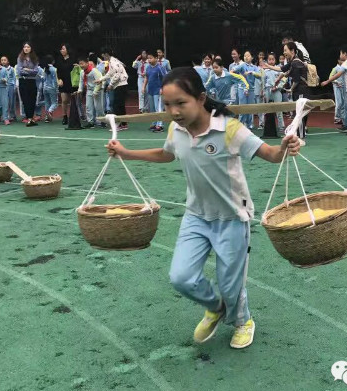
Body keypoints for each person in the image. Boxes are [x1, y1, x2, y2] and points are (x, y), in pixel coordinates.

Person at [107, 67, 301, 349]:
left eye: (181, 103)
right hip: (196, 216)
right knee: (181, 277)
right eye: (168, 104)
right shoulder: (176, 129)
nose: (173, 111)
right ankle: (215, 306)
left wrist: (286, 146)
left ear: (200, 98)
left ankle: (243, 320)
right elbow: (166, 154)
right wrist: (126, 152)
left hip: (233, 217)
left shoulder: (229, 129)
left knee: (231, 284)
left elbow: (271, 155)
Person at [263, 42, 310, 138]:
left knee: (300, 114)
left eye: (285, 50)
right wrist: (268, 67)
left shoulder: (296, 63)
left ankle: (300, 137)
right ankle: (300, 135)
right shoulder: (293, 62)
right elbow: (282, 69)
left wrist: (290, 89)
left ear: (292, 51)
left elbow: (296, 80)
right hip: (299, 91)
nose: (284, 52)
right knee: (299, 114)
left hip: (301, 91)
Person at [320, 47, 347, 136]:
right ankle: (346, 125)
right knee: (346, 107)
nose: (340, 55)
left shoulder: (346, 63)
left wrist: (327, 81)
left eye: (340, 53)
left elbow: (338, 74)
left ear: (345, 54)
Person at [98, 47, 129, 131]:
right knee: (120, 105)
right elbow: (110, 73)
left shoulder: (113, 62)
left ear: (106, 54)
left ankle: (118, 124)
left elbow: (117, 75)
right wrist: (101, 79)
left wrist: (110, 85)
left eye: (103, 55)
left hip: (121, 85)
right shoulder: (112, 61)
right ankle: (124, 124)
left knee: (117, 105)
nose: (103, 57)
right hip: (121, 85)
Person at [16, 42, 40, 127]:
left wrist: (27, 70)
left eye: (28, 47)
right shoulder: (20, 58)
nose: (26, 48)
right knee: (25, 100)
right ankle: (28, 118)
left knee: (32, 99)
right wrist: (30, 70)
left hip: (32, 81)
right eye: (25, 47)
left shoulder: (35, 59)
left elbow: (36, 71)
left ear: (31, 48)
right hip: (23, 80)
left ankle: (31, 118)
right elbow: (20, 71)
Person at [142, 52, 167, 132]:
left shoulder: (160, 68)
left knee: (158, 108)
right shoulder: (148, 67)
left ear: (156, 58)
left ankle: (160, 125)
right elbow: (146, 77)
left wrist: (162, 88)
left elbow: (165, 78)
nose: (149, 60)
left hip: (158, 91)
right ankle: (154, 123)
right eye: (148, 58)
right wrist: (143, 87)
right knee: (152, 109)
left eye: (151, 58)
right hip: (150, 91)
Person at [78, 55, 105, 128]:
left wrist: (95, 92)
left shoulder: (94, 71)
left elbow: (99, 82)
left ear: (87, 63)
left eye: (82, 63)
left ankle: (103, 121)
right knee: (88, 106)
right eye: (80, 64)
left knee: (98, 107)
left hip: (98, 89)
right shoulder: (82, 72)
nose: (81, 65)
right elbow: (81, 81)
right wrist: (80, 90)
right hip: (89, 90)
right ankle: (90, 122)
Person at [56, 44, 76, 125]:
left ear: (68, 50)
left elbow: (76, 71)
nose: (62, 50)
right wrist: (59, 80)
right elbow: (57, 71)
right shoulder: (59, 60)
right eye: (61, 49)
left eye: (63, 49)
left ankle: (73, 116)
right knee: (64, 100)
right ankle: (64, 116)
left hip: (72, 82)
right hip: (63, 82)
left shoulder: (73, 59)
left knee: (72, 100)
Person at [40, 55, 59, 122]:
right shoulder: (54, 69)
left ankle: (47, 118)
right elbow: (55, 80)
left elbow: (43, 78)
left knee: (47, 103)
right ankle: (50, 112)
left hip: (45, 88)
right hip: (52, 88)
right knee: (55, 103)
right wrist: (57, 89)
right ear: (53, 61)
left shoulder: (45, 69)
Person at [1, 56, 17, 122]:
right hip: (3, 87)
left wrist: (14, 86)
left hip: (10, 86)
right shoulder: (0, 69)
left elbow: (14, 78)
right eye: (2, 60)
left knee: (11, 101)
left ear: (8, 61)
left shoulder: (12, 69)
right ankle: (4, 115)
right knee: (4, 101)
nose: (3, 61)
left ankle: (12, 115)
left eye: (5, 60)